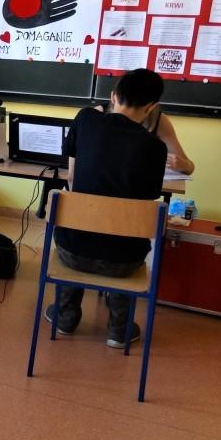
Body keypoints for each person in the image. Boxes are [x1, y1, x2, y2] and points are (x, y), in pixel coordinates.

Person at [47, 68, 167, 348]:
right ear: (151, 107)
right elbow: (148, 197)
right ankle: (119, 330)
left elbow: (72, 175)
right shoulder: (155, 148)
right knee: (125, 235)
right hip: (123, 261)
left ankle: (65, 318)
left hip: (73, 252)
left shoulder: (85, 119)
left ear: (113, 96)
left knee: (79, 230)